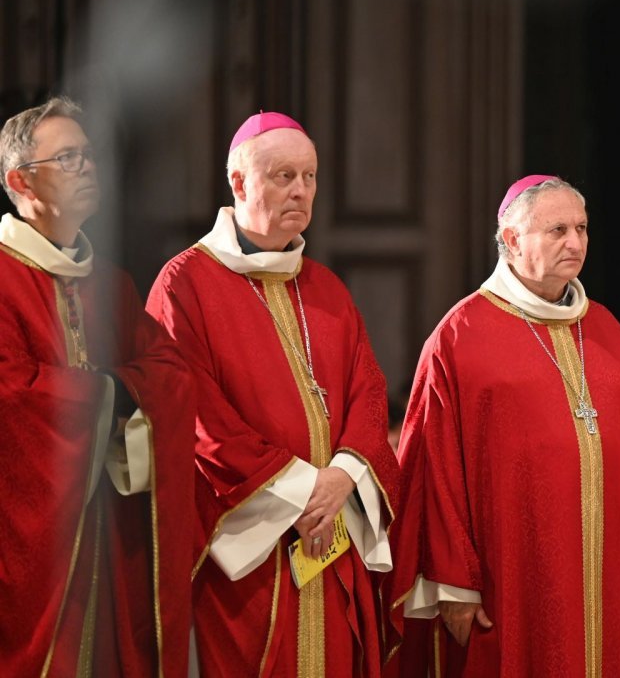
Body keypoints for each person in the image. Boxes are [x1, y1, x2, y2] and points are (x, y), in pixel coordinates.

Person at [389, 175, 620, 676]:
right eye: (558, 230)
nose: (575, 242)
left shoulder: (609, 333)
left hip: (610, 580)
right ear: (511, 240)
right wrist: (454, 585)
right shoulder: (461, 337)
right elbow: (431, 471)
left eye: (582, 228)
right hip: (512, 582)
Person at [146, 111, 403, 676]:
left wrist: (341, 478)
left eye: (309, 177)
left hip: (332, 533)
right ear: (238, 183)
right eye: (283, 176)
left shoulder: (325, 285)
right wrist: (301, 490)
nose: (301, 191)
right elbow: (190, 414)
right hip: (249, 552)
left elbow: (369, 390)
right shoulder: (185, 283)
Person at [0, 97, 192, 675]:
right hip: (27, 542)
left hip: (110, 534)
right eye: (69, 157)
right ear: (20, 180)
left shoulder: (111, 284)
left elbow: (170, 374)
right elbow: (12, 394)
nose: (88, 168)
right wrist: (109, 394)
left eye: (91, 156)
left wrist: (116, 392)